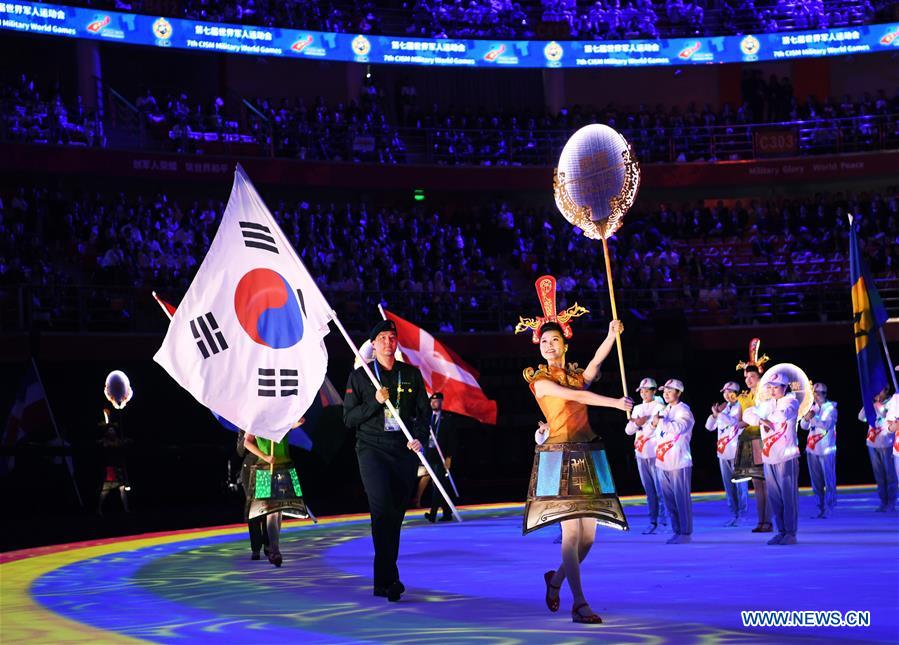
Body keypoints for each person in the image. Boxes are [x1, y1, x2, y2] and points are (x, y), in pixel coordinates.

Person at [521, 317, 632, 624]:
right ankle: (579, 603)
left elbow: (595, 364)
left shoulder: (574, 375)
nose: (549, 346)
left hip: (587, 453)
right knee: (571, 535)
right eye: (544, 342)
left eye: (554, 340)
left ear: (565, 345)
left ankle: (555, 580)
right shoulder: (539, 381)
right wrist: (615, 403)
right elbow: (578, 397)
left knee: (588, 539)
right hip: (559, 456)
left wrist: (610, 336)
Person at [344, 319, 431, 602]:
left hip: (402, 451)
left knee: (393, 515)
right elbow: (348, 419)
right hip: (372, 450)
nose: (387, 342)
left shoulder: (411, 374)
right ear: (373, 343)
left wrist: (418, 437)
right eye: (381, 337)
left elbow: (423, 413)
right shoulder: (362, 377)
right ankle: (390, 577)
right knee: (382, 510)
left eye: (391, 337)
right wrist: (375, 402)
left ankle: (382, 582)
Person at [243, 417, 309, 567]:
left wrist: (297, 417)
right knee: (271, 510)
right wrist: (265, 456)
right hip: (265, 470)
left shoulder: (281, 417)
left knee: (278, 511)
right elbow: (247, 442)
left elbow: (297, 422)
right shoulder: (256, 420)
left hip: (283, 467)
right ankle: (274, 549)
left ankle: (274, 547)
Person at [743, 371, 801, 545]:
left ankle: (790, 533)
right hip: (769, 456)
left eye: (776, 387)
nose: (773, 390)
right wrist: (761, 421)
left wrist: (762, 418)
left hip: (786, 456)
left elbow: (783, 415)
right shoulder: (767, 404)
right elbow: (748, 415)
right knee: (775, 497)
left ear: (785, 387)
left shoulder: (791, 401)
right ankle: (781, 531)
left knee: (788, 496)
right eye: (770, 387)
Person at [652, 379, 695, 544]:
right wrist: (654, 423)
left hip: (679, 461)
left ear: (678, 392)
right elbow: (654, 430)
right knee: (669, 500)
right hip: (663, 462)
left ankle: (685, 532)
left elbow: (678, 428)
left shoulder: (684, 411)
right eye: (665, 391)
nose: (666, 393)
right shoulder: (664, 410)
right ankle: (677, 530)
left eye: (670, 391)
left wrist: (660, 421)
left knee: (681, 499)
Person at [625, 377, 667, 534]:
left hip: (656, 453)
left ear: (654, 391)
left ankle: (664, 521)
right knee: (649, 491)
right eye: (641, 391)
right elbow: (628, 431)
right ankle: (653, 520)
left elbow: (658, 428)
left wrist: (643, 423)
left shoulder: (660, 406)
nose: (643, 393)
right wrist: (636, 423)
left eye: (646, 390)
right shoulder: (636, 408)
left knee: (660, 489)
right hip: (641, 454)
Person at [736, 361, 773, 533]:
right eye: (746, 377)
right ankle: (761, 520)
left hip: (762, 438)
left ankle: (769, 520)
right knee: (757, 484)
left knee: (766, 482)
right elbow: (739, 421)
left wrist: (747, 421)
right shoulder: (743, 398)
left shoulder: (766, 397)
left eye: (752, 377)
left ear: (760, 378)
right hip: (749, 440)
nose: (748, 380)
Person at [705, 381, 748, 526]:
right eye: (724, 392)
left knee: (741, 486)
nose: (726, 394)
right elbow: (709, 427)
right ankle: (733, 514)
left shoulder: (741, 406)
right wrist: (714, 414)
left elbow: (734, 422)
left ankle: (742, 515)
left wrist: (720, 414)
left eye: (730, 391)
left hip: (739, 451)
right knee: (729, 486)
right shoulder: (723, 409)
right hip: (723, 452)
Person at [799, 382, 838, 518]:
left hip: (826, 450)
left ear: (825, 394)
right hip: (812, 450)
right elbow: (803, 426)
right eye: (814, 393)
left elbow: (826, 425)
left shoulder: (831, 408)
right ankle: (819, 507)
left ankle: (830, 507)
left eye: (819, 393)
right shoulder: (812, 407)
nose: (816, 396)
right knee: (816, 482)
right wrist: (806, 417)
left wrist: (812, 417)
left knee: (829, 480)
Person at [422, 392, 460, 523]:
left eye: (437, 400)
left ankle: (432, 514)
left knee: (438, 485)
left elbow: (452, 440)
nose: (434, 403)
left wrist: (449, 457)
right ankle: (447, 513)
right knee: (440, 485)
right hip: (430, 455)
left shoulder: (447, 419)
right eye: (432, 401)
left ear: (441, 402)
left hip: (441, 456)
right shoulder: (427, 418)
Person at [858, 386, 896, 512]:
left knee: (890, 474)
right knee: (879, 475)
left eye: (880, 389)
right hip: (872, 443)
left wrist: (877, 404)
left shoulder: (892, 402)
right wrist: (868, 404)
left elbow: (886, 415)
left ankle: (891, 502)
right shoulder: (873, 403)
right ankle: (883, 501)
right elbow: (861, 417)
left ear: (886, 390)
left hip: (887, 443)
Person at [236, 428, 270, 560]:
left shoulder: (268, 422)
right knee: (253, 509)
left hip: (266, 467)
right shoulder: (245, 425)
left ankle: (268, 544)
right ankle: (256, 548)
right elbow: (240, 451)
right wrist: (248, 435)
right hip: (250, 469)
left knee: (267, 507)